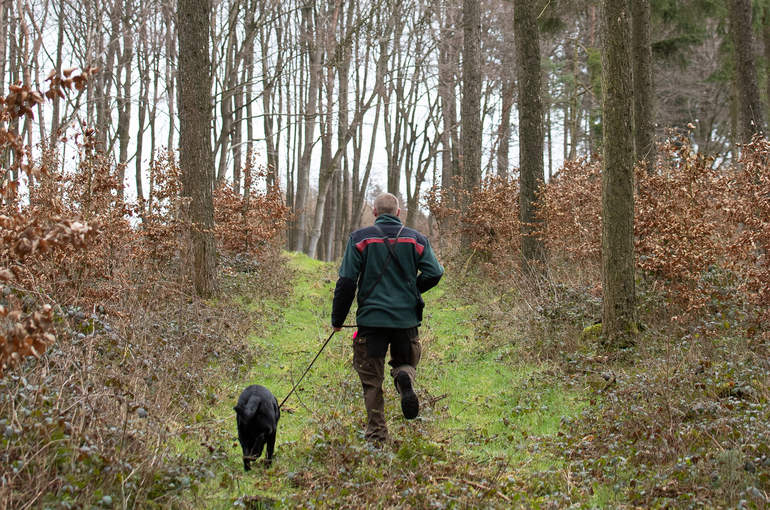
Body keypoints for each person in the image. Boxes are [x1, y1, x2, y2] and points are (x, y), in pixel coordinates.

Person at [331, 193, 444, 445]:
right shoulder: (416, 239)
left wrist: (337, 320)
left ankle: (377, 437)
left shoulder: (359, 239)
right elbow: (435, 272)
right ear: (398, 212)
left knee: (372, 380)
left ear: (374, 212)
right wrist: (414, 288)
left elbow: (347, 282)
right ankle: (404, 378)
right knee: (406, 363)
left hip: (371, 323)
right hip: (405, 322)